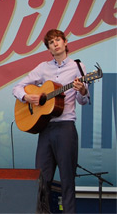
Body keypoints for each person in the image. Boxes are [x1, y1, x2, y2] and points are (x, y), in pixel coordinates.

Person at [12, 29, 90, 213]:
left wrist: (82, 90)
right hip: (45, 129)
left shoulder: (78, 67)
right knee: (42, 180)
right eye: (51, 43)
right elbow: (17, 87)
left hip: (65, 128)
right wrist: (27, 97)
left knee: (67, 180)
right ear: (49, 48)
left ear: (65, 42)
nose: (55, 44)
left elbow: (83, 101)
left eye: (57, 40)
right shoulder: (43, 67)